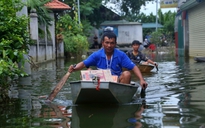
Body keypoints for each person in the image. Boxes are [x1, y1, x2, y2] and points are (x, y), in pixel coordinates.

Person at [68, 30, 147, 89]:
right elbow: (83, 64)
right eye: (107, 42)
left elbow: (134, 67)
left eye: (112, 43)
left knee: (127, 74)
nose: (109, 45)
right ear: (102, 43)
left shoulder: (121, 55)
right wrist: (74, 68)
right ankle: (93, 94)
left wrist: (141, 80)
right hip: (100, 83)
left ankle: (121, 96)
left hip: (116, 83)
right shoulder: (97, 54)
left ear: (115, 44)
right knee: (87, 71)